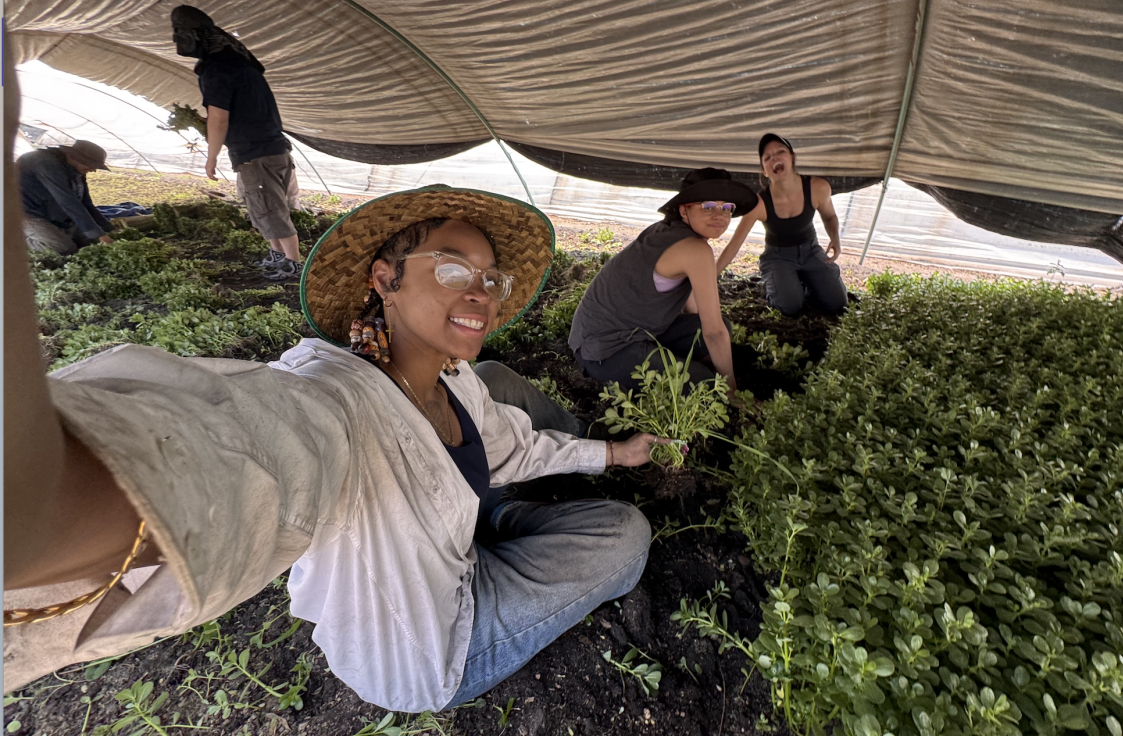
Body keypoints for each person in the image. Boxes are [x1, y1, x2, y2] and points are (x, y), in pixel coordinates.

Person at [3, 176, 673, 710]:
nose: (481, 293)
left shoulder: (454, 377)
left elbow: (512, 449)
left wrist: (614, 453)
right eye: (452, 269)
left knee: (497, 384)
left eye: (490, 279)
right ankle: (498, 518)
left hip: (451, 546)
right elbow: (231, 449)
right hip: (431, 643)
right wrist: (63, 495)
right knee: (625, 536)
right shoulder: (333, 403)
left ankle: (489, 515)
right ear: (384, 279)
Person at [568, 168, 756, 391]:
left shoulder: (665, 230)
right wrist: (732, 391)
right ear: (684, 210)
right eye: (708, 206)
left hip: (619, 332)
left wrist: (708, 349)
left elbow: (696, 312)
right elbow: (713, 332)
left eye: (727, 208)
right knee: (707, 385)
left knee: (717, 330)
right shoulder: (696, 250)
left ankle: (685, 364)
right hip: (606, 350)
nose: (720, 215)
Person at [171, 5, 302, 281]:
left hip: (257, 154)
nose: (175, 41)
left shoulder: (217, 68)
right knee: (262, 208)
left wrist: (211, 157)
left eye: (179, 34)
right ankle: (278, 256)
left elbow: (218, 118)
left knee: (271, 210)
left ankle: (293, 265)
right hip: (268, 150)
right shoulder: (239, 62)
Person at [717, 134, 848, 315]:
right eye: (767, 157)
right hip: (778, 257)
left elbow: (830, 216)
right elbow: (734, 244)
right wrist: (711, 275)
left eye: (780, 152)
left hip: (811, 251)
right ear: (764, 171)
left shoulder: (818, 188)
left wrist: (835, 238)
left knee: (837, 303)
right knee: (790, 307)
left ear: (792, 158)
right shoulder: (759, 203)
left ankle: (804, 282)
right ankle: (780, 281)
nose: (775, 158)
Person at [17, 140, 115, 255]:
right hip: (28, 213)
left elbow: (86, 204)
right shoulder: (45, 163)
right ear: (73, 157)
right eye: (91, 165)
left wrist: (108, 229)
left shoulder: (77, 170)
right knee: (63, 249)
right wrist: (99, 234)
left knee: (89, 242)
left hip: (53, 214)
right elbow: (67, 201)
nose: (93, 170)